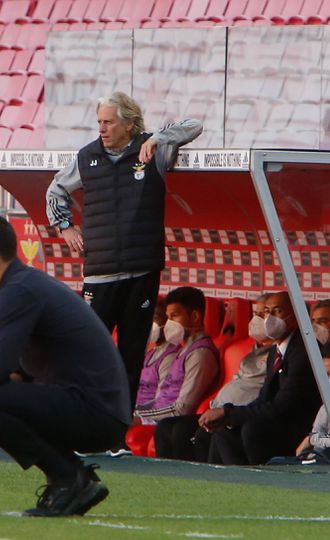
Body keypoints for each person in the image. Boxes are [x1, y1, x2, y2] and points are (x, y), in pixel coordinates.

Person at [0, 214, 130, 518]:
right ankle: (73, 475)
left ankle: (68, 478)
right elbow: (17, 371)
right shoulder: (22, 285)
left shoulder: (19, 290)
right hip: (99, 409)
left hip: (97, 412)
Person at [45, 91, 203, 413]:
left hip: (141, 272)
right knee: (90, 352)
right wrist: (64, 227)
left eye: (109, 122)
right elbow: (55, 190)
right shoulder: (87, 156)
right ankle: (83, 420)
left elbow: (194, 125)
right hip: (99, 272)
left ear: (129, 124)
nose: (102, 129)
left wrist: (159, 137)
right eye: (99, 122)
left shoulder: (152, 150)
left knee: (131, 355)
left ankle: (118, 432)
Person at [197, 291, 322, 465]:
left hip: (299, 426)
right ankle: (229, 484)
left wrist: (229, 412)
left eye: (277, 311)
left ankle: (262, 482)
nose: (269, 318)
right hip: (277, 418)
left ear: (297, 315)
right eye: (266, 312)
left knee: (253, 429)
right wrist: (228, 415)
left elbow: (283, 406)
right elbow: (264, 398)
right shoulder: (275, 350)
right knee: (222, 429)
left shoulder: (304, 350)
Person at [155, 293, 273, 462]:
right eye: (256, 314)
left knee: (184, 430)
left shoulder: (201, 352)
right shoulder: (252, 350)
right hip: (218, 409)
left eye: (264, 315)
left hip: (238, 413)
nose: (257, 320)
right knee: (165, 427)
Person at [134, 287, 218, 425]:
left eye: (174, 316)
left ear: (195, 317)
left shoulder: (200, 354)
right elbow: (160, 398)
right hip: (157, 417)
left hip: (169, 423)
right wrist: (137, 412)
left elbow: (182, 409)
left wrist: (140, 418)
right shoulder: (184, 350)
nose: (168, 323)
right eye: (167, 317)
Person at [135, 298, 178, 410]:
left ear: (168, 322)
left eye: (155, 318)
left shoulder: (171, 356)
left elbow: (161, 399)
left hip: (147, 414)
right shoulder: (152, 352)